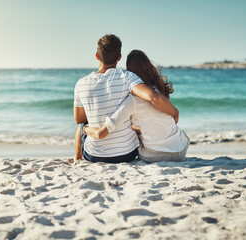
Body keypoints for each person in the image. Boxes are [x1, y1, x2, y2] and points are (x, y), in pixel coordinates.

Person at [74, 34, 178, 163]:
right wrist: (174, 112)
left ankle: (77, 158)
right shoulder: (128, 77)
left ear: (97, 56)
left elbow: (78, 119)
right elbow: (153, 97)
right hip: (127, 154)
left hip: (94, 155)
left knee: (83, 123)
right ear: (119, 58)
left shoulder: (80, 84)